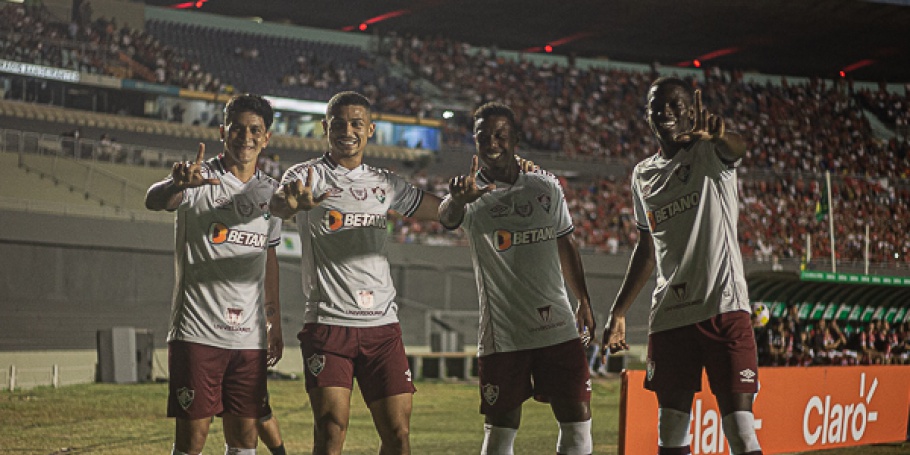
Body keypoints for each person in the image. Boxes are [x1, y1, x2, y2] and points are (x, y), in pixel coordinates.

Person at [269, 91, 443, 455]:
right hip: (329, 323)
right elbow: (278, 205)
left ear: (370, 130)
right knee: (331, 431)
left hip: (382, 326)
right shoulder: (305, 175)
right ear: (325, 128)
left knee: (398, 433)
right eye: (339, 123)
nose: (347, 130)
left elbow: (442, 212)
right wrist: (290, 204)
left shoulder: (385, 183)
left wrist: (465, 199)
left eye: (356, 124)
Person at [600, 77, 763, 455]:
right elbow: (647, 245)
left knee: (740, 430)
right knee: (671, 431)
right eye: (658, 106)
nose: (666, 112)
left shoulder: (709, 152)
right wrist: (619, 311)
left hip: (722, 307)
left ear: (691, 110)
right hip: (670, 316)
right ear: (648, 117)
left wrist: (721, 135)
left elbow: (737, 147)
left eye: (676, 104)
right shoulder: (642, 174)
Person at [439, 102, 596, 455]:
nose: (491, 142)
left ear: (516, 139)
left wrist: (583, 300)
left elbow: (566, 242)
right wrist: (457, 200)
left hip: (558, 326)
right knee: (500, 433)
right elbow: (447, 216)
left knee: (578, 423)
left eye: (500, 135)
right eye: (483, 136)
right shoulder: (468, 194)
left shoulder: (546, 187)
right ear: (474, 140)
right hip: (504, 335)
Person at [146, 93, 285, 455]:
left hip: (249, 340)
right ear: (224, 132)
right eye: (237, 129)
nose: (246, 137)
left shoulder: (271, 193)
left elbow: (269, 259)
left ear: (266, 137)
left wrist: (274, 320)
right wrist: (176, 185)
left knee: (245, 441)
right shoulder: (199, 179)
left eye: (255, 130)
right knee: (192, 441)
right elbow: (154, 199)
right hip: (198, 334)